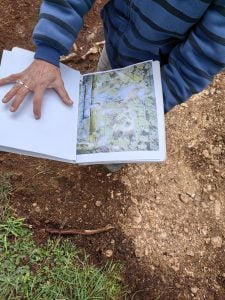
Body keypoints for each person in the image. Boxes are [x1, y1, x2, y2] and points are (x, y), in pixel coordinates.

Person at [0, 0, 225, 170]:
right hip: (116, 40)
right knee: (101, 82)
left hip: (153, 76)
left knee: (117, 140)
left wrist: (151, 104)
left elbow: (201, 58)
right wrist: (48, 51)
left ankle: (111, 162)